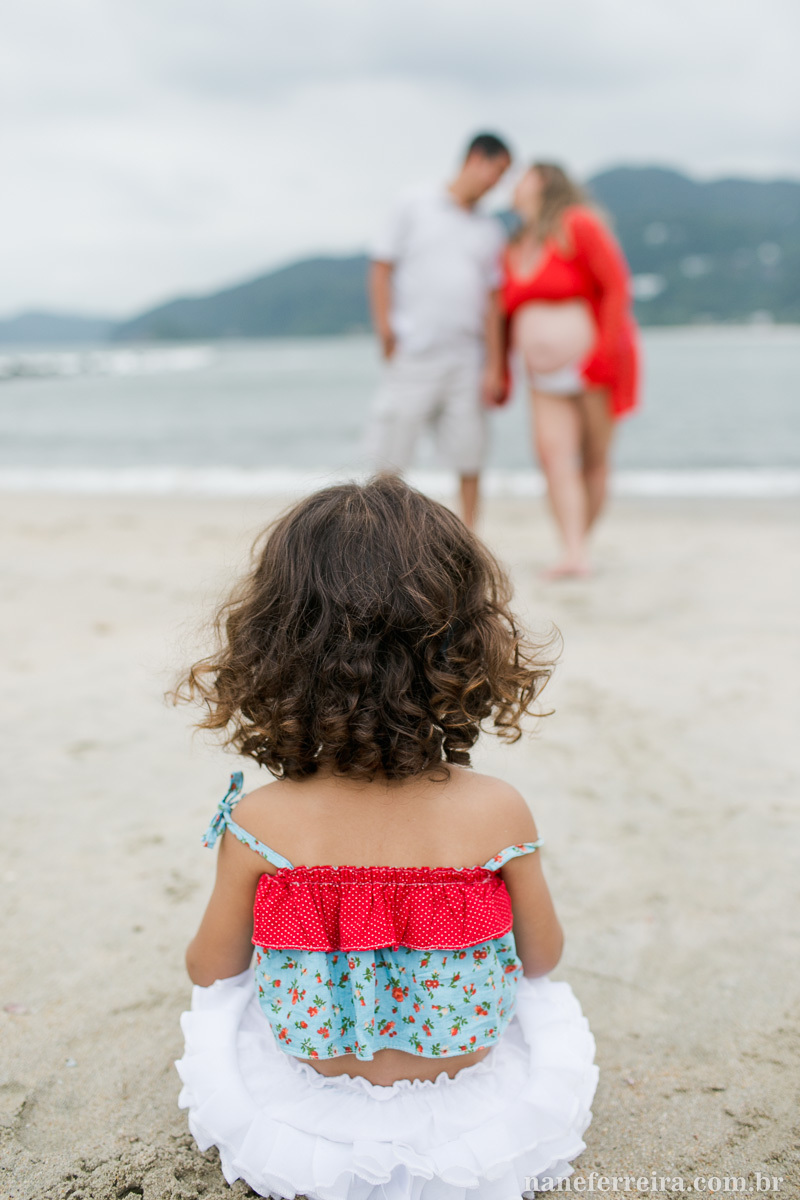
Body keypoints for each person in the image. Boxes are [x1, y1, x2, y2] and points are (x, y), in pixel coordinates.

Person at [174, 475, 598, 1199]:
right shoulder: (498, 811)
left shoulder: (261, 822)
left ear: (274, 651)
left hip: (308, 1098)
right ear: (465, 650)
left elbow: (212, 970)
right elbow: (541, 958)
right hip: (470, 1089)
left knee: (227, 1007)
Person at [500, 162, 640, 577]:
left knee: (594, 458)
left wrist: (603, 355)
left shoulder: (576, 224)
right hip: (541, 376)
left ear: (542, 180)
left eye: (522, 175)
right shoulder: (514, 243)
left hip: (591, 363)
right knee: (552, 458)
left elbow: (616, 286)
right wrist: (504, 369)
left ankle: (580, 546)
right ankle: (573, 550)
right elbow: (504, 313)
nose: (514, 184)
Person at [365, 133, 512, 528]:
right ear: (476, 159)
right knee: (391, 455)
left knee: (470, 454)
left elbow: (494, 300)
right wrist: (385, 331)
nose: (497, 184)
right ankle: (381, 538)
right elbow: (381, 268)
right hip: (414, 350)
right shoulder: (414, 203)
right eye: (497, 172)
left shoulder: (489, 228)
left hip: (468, 356)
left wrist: (495, 365)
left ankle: (468, 537)